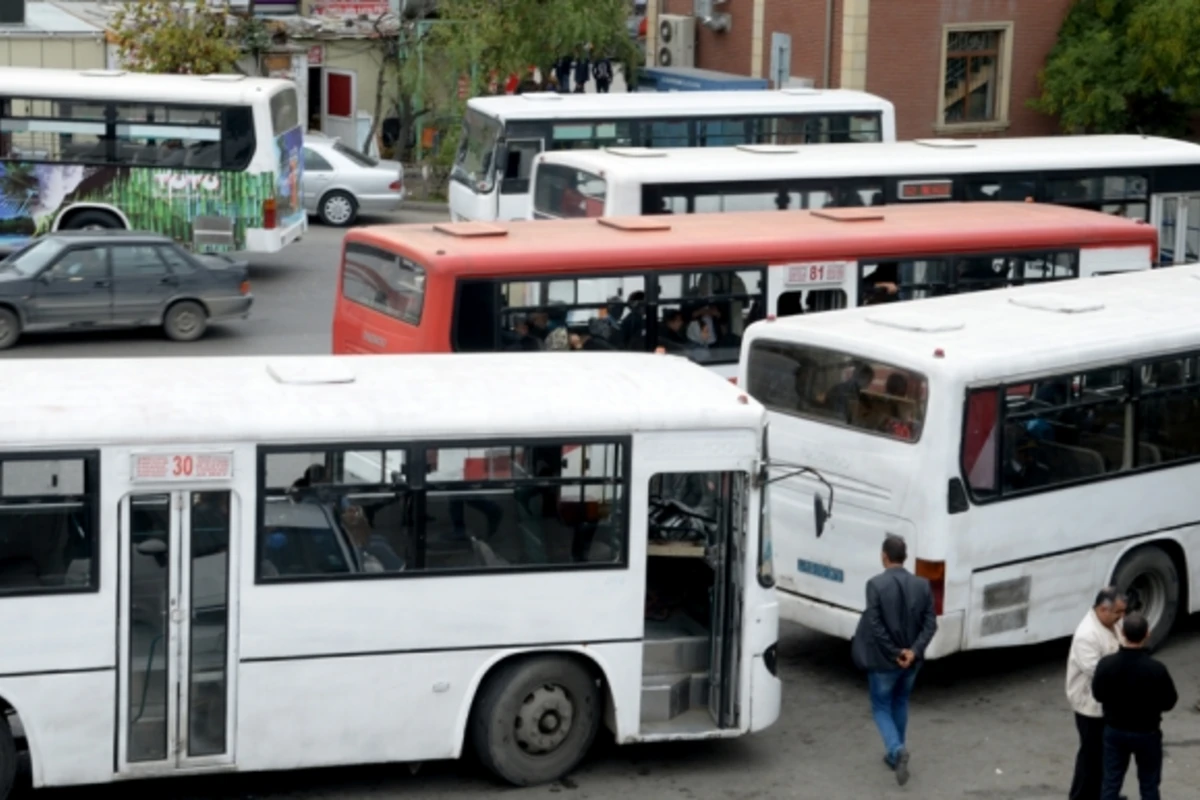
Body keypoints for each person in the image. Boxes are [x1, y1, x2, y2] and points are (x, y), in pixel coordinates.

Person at [850, 534, 938, 786]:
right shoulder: (922, 585)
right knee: (900, 701)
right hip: (912, 662)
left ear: (884, 556)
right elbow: (930, 623)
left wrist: (894, 652)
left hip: (883, 662)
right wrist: (913, 651)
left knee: (880, 706)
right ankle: (895, 754)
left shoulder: (875, 585)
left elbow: (875, 626)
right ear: (905, 557)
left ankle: (896, 751)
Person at [1092, 612, 1177, 800]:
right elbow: (1169, 701)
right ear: (1147, 633)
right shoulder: (1156, 669)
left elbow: (1098, 694)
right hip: (1147, 732)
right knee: (1149, 784)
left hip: (1115, 731)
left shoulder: (1106, 665)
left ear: (1122, 633)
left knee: (1111, 783)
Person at [1066, 587, 1128, 800]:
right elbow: (1098, 672)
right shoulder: (1087, 635)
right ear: (1103, 609)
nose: (1122, 617)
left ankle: (1104, 794)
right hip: (1090, 706)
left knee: (1105, 755)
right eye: (1118, 613)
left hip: (1107, 703)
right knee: (1091, 756)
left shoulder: (1113, 623)